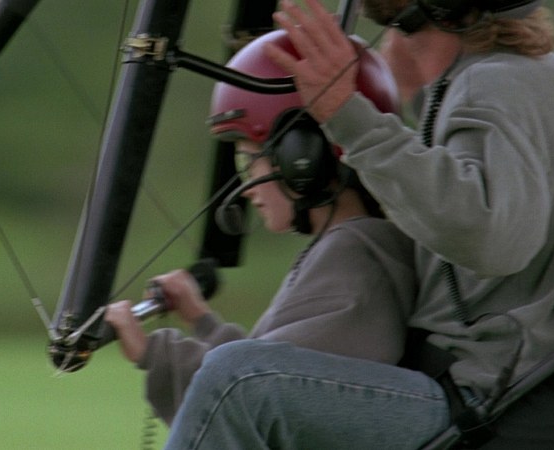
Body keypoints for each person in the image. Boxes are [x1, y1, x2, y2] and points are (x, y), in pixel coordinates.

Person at [162, 1, 554, 449]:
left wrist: (347, 114)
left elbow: (494, 239)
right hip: (503, 394)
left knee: (236, 380)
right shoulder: (510, 76)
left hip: (488, 404)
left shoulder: (495, 80)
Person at [103, 28, 420, 430]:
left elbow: (253, 395)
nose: (247, 186)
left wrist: (155, 354)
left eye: (250, 161)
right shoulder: (354, 245)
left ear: (302, 155)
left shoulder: (354, 257)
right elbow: (270, 362)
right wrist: (202, 321)